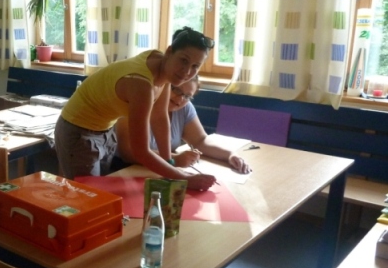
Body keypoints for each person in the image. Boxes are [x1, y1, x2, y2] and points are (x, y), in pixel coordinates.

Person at [54, 27, 217, 191]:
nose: (187, 71)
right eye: (183, 60)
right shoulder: (141, 84)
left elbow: (160, 117)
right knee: (87, 195)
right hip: (78, 129)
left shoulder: (164, 67)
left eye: (195, 66)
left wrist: (169, 163)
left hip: (105, 129)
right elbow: (141, 151)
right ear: (169, 52)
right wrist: (184, 178)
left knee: (98, 193)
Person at [114, 76, 252, 174]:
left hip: (158, 171)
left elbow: (200, 140)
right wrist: (173, 159)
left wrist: (230, 155)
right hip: (125, 171)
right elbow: (128, 152)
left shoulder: (185, 108)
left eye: (187, 96)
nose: (180, 99)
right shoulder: (140, 102)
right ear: (163, 86)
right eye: (176, 90)